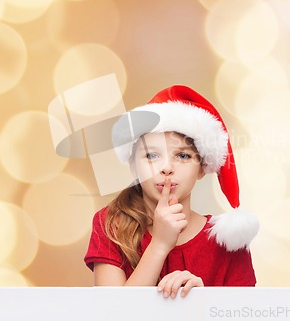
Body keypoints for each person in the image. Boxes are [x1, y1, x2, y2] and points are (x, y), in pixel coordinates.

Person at [84, 85, 259, 298]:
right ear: (133, 166)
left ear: (202, 168)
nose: (166, 168)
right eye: (151, 156)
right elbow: (111, 314)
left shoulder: (227, 241)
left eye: (183, 156)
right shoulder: (111, 225)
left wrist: (202, 301)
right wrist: (159, 244)